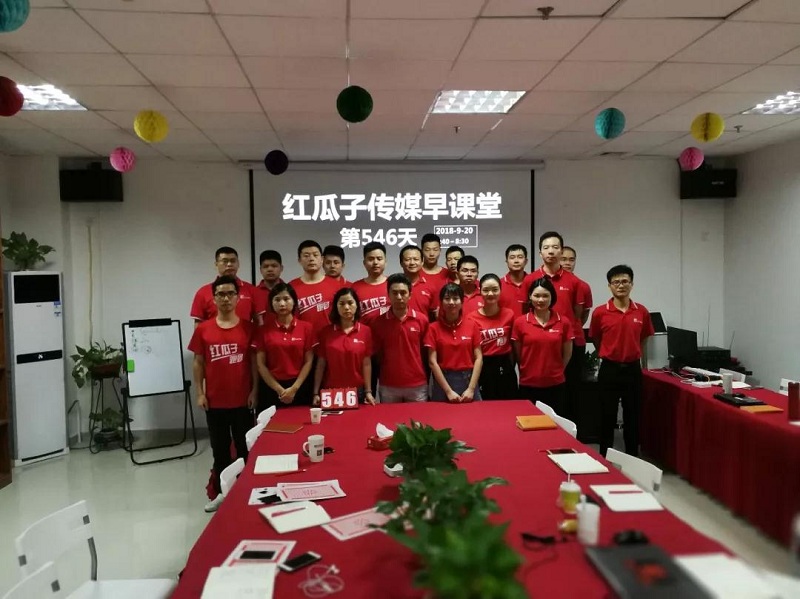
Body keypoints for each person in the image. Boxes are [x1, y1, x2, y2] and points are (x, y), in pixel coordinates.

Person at [188, 275, 257, 512]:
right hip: (215, 402)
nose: (226, 299)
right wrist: (200, 392)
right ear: (214, 298)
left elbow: (254, 363)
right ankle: (221, 494)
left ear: (238, 298)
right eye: (221, 294)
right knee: (220, 452)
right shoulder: (203, 330)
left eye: (230, 294)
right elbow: (198, 363)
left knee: (245, 449)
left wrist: (255, 390)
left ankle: (246, 492)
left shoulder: (248, 328)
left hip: (242, 400)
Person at [589, 265, 654, 458]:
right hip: (609, 369)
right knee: (606, 415)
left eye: (625, 281)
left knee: (632, 416)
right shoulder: (600, 312)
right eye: (616, 282)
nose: (621, 285)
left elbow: (644, 338)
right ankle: (604, 457)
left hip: (632, 370)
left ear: (632, 284)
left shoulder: (641, 312)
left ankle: (632, 457)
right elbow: (596, 339)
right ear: (609, 286)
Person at [526, 232, 582, 421]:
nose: (551, 251)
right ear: (540, 252)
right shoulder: (530, 279)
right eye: (546, 248)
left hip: (564, 343)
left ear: (561, 251)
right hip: (536, 346)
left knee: (566, 401)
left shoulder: (574, 281)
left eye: (555, 247)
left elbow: (578, 314)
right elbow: (525, 312)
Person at [512, 277, 573, 414]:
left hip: (556, 384)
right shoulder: (520, 322)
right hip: (528, 384)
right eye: (537, 295)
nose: (541, 300)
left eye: (545, 296)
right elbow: (519, 355)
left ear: (552, 297)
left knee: (555, 422)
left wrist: (556, 371)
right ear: (530, 296)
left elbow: (567, 354)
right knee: (529, 422)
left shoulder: (563, 322)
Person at [254, 282, 316, 410]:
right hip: (271, 388)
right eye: (277, 300)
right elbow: (260, 364)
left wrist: (294, 388)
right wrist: (279, 390)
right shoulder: (263, 330)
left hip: (300, 386)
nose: (282, 304)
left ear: (294, 302)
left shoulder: (306, 327)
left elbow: (309, 361)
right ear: (271, 303)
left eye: (286, 299)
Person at [371, 273, 429, 403]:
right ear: (388, 295)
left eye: (403, 293)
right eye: (394, 293)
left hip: (417, 385)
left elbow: (425, 353)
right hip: (389, 385)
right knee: (390, 417)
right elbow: (377, 355)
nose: (399, 297)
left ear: (410, 294)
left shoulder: (422, 320)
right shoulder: (378, 323)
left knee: (419, 417)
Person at [312, 288, 376, 406]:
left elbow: (366, 364)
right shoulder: (326, 332)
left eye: (350, 303)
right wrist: (315, 393)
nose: (346, 307)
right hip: (330, 391)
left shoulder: (365, 331)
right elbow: (321, 365)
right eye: (341, 304)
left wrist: (368, 392)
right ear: (336, 307)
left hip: (357, 391)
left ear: (357, 305)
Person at [425, 283, 483, 403]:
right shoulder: (433, 328)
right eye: (447, 298)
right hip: (443, 382)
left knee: (476, 413)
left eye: (456, 298)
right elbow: (432, 362)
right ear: (441, 302)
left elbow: (479, 358)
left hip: (468, 380)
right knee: (440, 414)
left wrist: (471, 389)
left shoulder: (472, 325)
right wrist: (448, 391)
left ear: (462, 302)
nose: (451, 302)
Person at [467, 274, 517, 400]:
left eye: (495, 289)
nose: (490, 294)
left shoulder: (509, 314)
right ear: (480, 291)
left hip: (504, 365)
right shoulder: (471, 318)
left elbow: (513, 345)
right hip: (482, 365)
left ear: (500, 290)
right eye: (486, 290)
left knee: (509, 404)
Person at [190, 246, 262, 327]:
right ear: (216, 264)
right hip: (214, 335)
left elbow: (259, 323)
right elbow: (199, 326)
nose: (229, 264)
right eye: (225, 261)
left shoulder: (252, 290)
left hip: (244, 334)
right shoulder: (203, 292)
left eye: (233, 261)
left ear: (238, 264)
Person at [560, 245, 593, 403]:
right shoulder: (546, 283)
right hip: (553, 341)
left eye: (571, 260)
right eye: (563, 259)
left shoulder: (583, 285)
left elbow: (583, 315)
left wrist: (573, 325)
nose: (567, 263)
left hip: (576, 340)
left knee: (573, 385)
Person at [289, 240, 344, 334]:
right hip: (302, 338)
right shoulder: (291, 287)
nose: (311, 259)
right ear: (299, 260)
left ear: (322, 259)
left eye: (315, 255)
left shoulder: (336, 286)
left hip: (330, 339)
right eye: (306, 256)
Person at [350, 241, 389, 325]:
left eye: (379, 259)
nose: (375, 262)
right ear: (364, 263)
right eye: (371, 259)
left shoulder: (394, 284)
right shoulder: (355, 288)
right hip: (364, 333)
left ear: (385, 261)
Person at [399, 244, 438, 320]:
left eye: (416, 259)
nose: (412, 263)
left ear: (422, 262)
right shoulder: (394, 286)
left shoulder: (430, 287)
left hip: (423, 327)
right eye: (407, 259)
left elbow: (434, 316)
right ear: (401, 263)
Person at [253, 249, 285, 318]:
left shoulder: (289, 291)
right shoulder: (253, 293)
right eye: (265, 266)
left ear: (281, 268)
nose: (270, 269)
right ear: (260, 270)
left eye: (274, 266)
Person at [500, 244, 529, 318]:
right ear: (507, 261)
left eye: (520, 257)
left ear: (526, 261)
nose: (516, 261)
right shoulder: (498, 285)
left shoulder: (533, 283)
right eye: (512, 257)